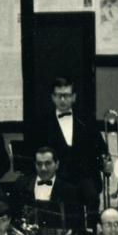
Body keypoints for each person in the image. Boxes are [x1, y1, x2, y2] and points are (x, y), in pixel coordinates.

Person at [31, 78, 107, 212]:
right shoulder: (42, 123)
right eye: (58, 95)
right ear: (52, 97)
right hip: (56, 177)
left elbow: (100, 148)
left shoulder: (86, 119)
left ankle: (89, 233)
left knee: (92, 198)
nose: (62, 99)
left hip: (84, 177)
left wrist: (106, 165)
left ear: (74, 97)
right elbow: (35, 153)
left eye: (66, 95)